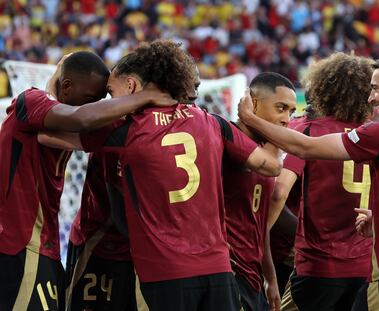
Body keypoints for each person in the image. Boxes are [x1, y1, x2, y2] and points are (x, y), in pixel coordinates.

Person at [39, 39, 282, 311]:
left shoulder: (121, 129)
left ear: (131, 86)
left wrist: (52, 86)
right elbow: (271, 167)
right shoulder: (211, 121)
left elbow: (48, 131)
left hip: (150, 260)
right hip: (204, 264)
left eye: (109, 91)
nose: (106, 99)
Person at [0, 50, 174, 311]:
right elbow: (82, 118)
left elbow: (76, 115)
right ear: (68, 86)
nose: (96, 106)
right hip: (19, 244)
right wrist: (146, 96)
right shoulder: (31, 101)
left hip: (45, 245)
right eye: (92, 99)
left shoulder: (59, 119)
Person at [238, 53, 379, 310]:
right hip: (366, 265)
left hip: (328, 266)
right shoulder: (378, 131)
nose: (371, 97)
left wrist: (250, 119)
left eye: (375, 88)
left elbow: (284, 185)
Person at [65, 48, 202, 311]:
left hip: (150, 255)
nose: (192, 95)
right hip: (102, 248)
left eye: (195, 86)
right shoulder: (118, 131)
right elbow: (119, 213)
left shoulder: (185, 128)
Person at [223, 72, 296, 311]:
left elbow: (258, 224)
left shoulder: (262, 153)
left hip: (252, 273)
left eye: (291, 112)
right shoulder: (225, 140)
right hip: (227, 269)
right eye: (281, 108)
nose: (286, 119)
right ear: (253, 103)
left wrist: (271, 279)